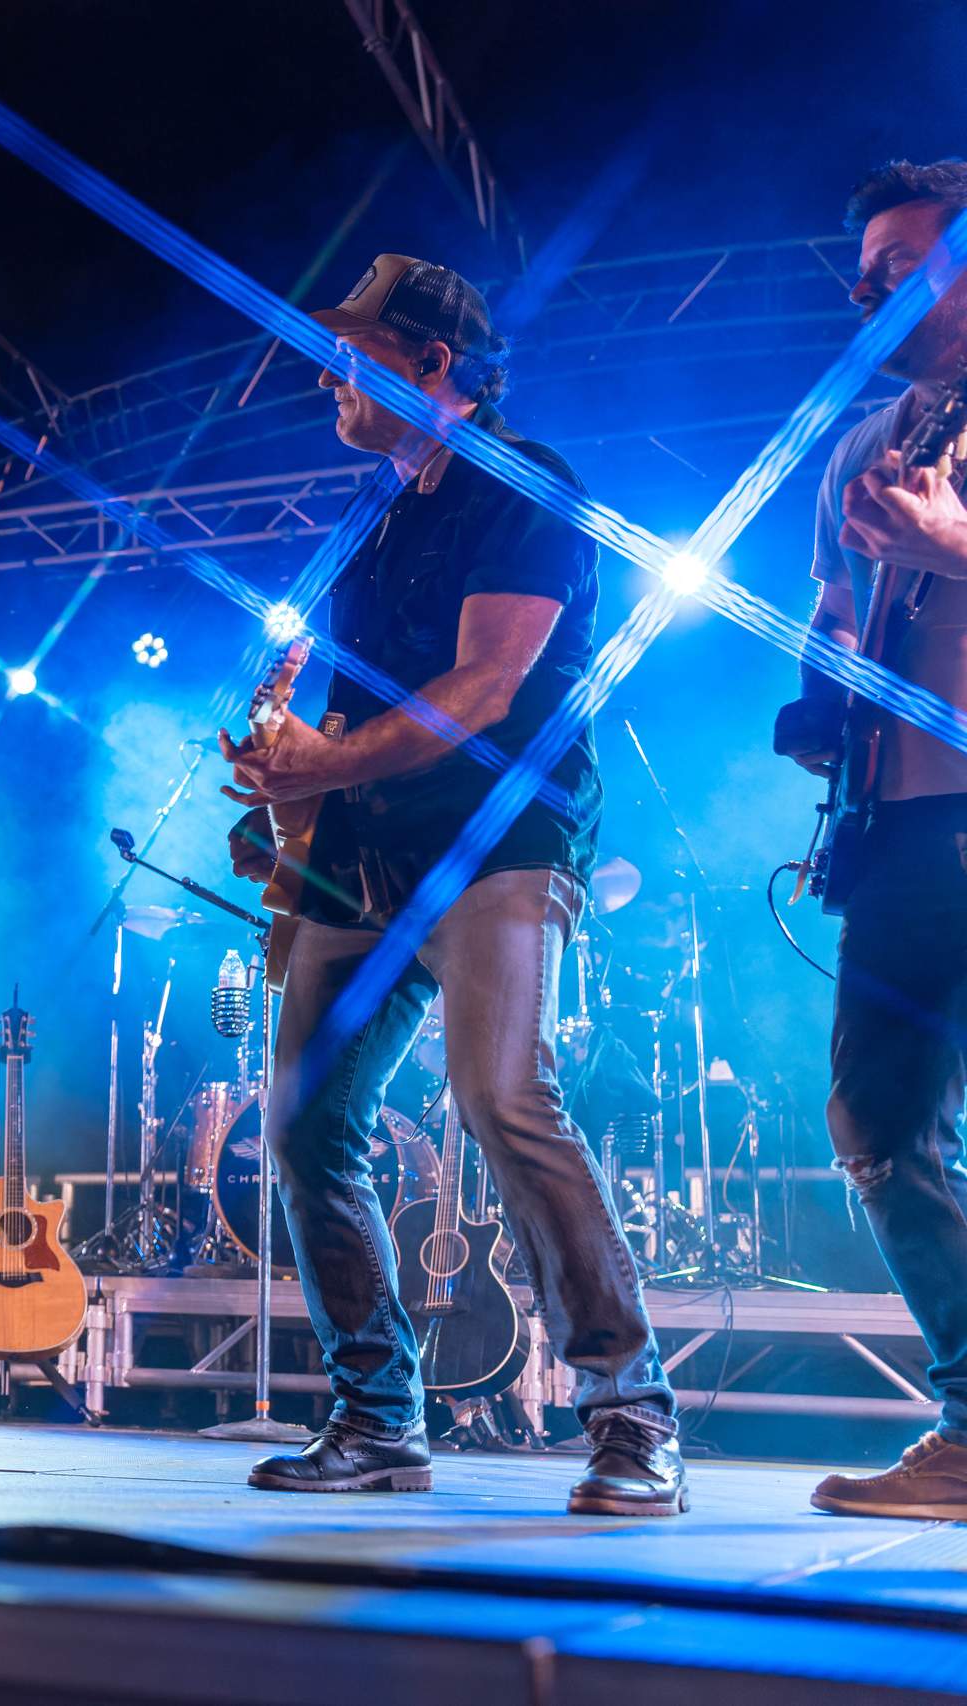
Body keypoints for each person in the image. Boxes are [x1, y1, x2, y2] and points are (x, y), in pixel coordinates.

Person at [221, 254, 682, 1514]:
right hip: (362, 855)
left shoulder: (525, 488)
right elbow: (350, 707)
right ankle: (378, 1419)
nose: (330, 373)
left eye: (357, 349)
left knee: (496, 1094)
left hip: (493, 841)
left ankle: (631, 1412)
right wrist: (287, 777)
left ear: (432, 368)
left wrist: (327, 758)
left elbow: (485, 688)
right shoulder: (380, 510)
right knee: (307, 1126)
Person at [775, 159, 967, 1520]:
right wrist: (825, 670)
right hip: (899, 825)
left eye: (901, 260)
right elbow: (829, 613)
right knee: (877, 1120)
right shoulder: (864, 439)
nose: (867, 290)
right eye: (864, 270)